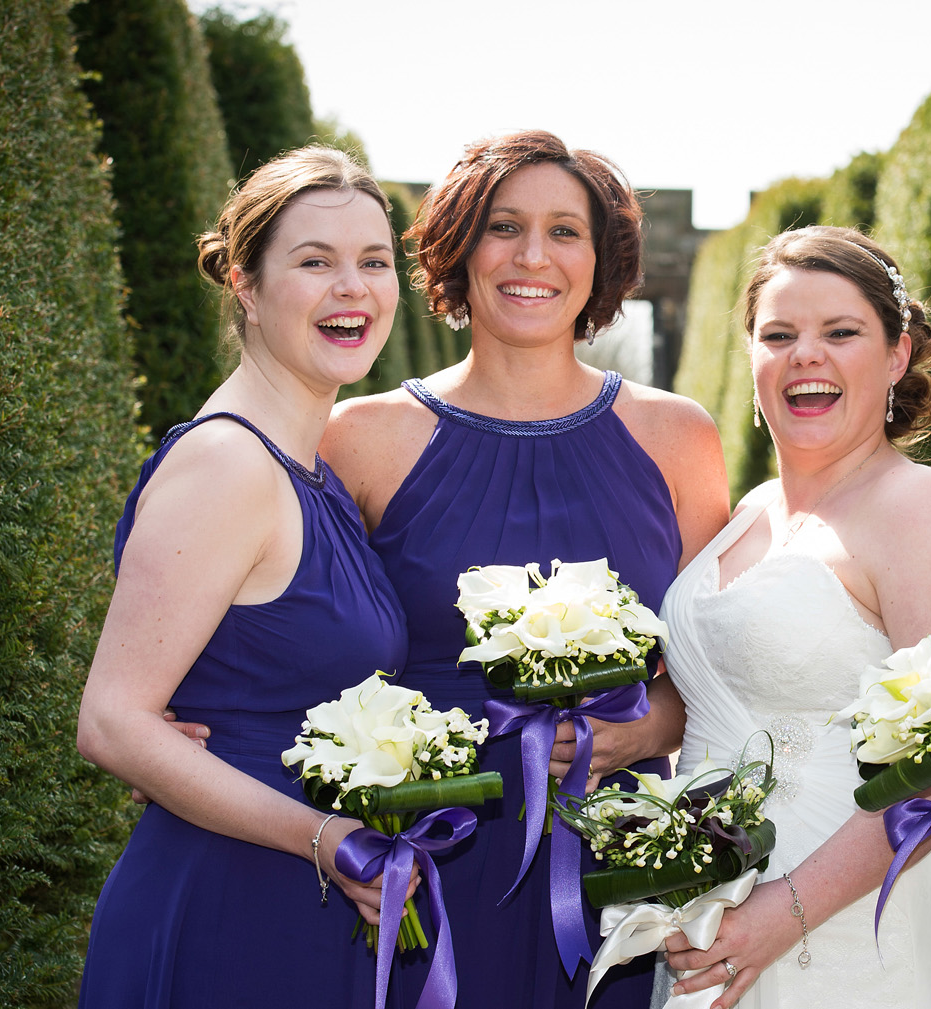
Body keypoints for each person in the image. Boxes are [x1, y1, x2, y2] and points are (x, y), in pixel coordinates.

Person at [320, 130, 730, 1008]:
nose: (532, 256)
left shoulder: (680, 438)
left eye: (565, 231)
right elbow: (310, 634)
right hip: (425, 857)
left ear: (601, 259)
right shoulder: (361, 437)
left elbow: (718, 665)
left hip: (616, 862)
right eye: (504, 226)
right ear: (459, 247)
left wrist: (646, 730)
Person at [77, 147, 411, 1006]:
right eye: (315, 262)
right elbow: (113, 721)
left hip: (300, 903)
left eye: (374, 262)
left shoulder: (315, 474)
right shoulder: (228, 463)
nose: (355, 288)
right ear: (244, 285)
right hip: (225, 903)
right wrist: (324, 835)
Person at [660, 226, 931, 1009]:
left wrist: (781, 915)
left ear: (895, 355)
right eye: (777, 334)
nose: (804, 354)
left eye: (840, 332)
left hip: (854, 927)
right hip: (714, 915)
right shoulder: (748, 511)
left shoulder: (921, 511)